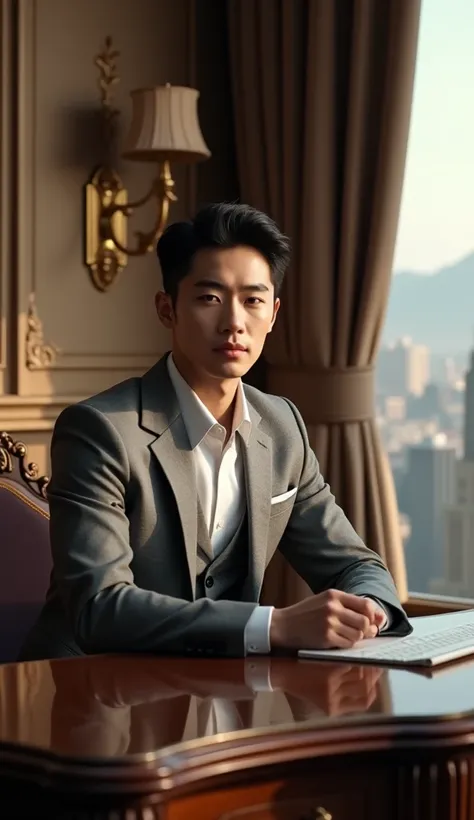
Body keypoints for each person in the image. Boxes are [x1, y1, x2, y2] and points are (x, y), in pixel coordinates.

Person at [19, 202, 411, 662]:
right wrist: (275, 624)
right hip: (89, 694)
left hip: (220, 694)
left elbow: (356, 564)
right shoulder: (100, 431)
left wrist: (369, 611)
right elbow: (100, 608)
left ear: (274, 314)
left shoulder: (283, 426)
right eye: (209, 298)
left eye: (253, 300)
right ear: (168, 309)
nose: (234, 323)